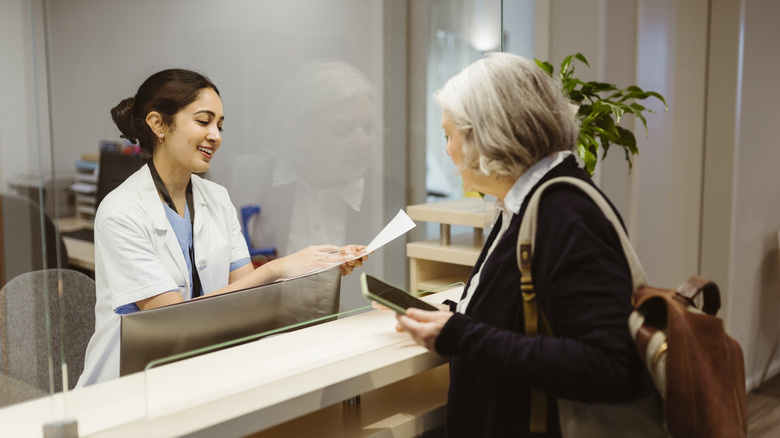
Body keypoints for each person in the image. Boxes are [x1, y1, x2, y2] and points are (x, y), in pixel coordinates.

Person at [395, 53, 652, 436]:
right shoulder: (524, 203)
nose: (447, 149)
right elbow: (527, 315)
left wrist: (460, 334)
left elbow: (609, 365)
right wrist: (453, 316)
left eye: (449, 135)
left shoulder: (565, 214)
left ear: (486, 136)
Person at [77, 69, 366, 387]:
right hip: (128, 388)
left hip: (202, 374)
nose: (216, 135)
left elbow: (248, 295)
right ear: (158, 124)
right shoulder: (121, 212)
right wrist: (277, 268)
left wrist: (319, 267)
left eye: (220, 125)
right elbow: (170, 321)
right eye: (203, 121)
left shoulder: (216, 198)